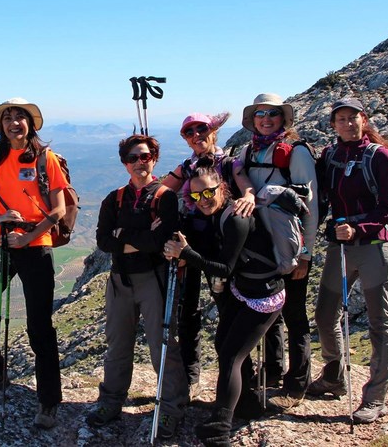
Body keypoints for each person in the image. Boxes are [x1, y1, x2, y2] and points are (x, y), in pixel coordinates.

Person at [0, 98, 67, 430]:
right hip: (3, 244)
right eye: (8, 118)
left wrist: (27, 236)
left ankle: (48, 402)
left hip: (36, 247)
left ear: (30, 124)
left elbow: (58, 210)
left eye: (20, 117)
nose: (14, 122)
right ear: (1, 126)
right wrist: (0, 217)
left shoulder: (45, 159)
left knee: (39, 327)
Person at [164, 164, 285, 447]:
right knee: (223, 344)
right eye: (196, 196)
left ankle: (221, 426)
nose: (203, 199)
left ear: (223, 188)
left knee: (232, 355)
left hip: (263, 297)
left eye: (209, 191)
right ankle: (247, 404)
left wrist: (187, 253)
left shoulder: (236, 218)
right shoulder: (220, 215)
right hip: (245, 293)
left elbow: (224, 267)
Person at [87, 134, 187, 439]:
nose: (139, 163)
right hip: (120, 281)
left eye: (144, 156)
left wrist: (124, 237)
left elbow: (160, 242)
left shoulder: (165, 197)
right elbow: (104, 241)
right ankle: (111, 401)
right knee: (117, 345)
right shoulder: (114, 198)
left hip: (153, 281)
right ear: (124, 163)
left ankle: (171, 409)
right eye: (132, 158)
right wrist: (140, 239)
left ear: (154, 158)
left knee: (163, 347)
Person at [310, 97, 388, 425]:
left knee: (380, 322)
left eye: (353, 118)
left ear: (364, 120)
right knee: (324, 315)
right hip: (341, 247)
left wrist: (358, 228)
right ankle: (335, 375)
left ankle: (375, 397)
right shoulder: (330, 155)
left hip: (374, 246)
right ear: (333, 125)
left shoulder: (380, 156)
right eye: (341, 119)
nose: (348, 124)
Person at [162, 112, 256, 398]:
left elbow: (244, 184)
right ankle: (192, 375)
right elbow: (163, 190)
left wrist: (249, 196)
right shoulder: (186, 167)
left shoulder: (229, 163)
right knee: (188, 311)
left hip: (220, 245)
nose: (196, 135)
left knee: (230, 308)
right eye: (189, 133)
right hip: (192, 241)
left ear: (213, 130)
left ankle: (243, 378)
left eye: (201, 129)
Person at [237, 93, 318, 410]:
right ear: (253, 120)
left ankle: (296, 385)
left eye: (272, 113)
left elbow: (311, 205)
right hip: (260, 249)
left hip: (291, 247)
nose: (266, 118)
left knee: (295, 315)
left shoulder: (296, 153)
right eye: (260, 114)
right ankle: (272, 374)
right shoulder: (249, 151)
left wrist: (306, 254)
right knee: (267, 312)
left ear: (283, 118)